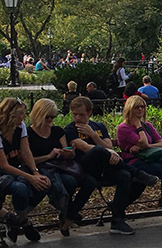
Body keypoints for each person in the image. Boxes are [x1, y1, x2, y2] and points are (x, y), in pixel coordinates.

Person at [63, 95, 148, 236]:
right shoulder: (70, 129)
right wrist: (107, 151)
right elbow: (84, 147)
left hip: (103, 168)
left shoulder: (98, 127)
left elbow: (109, 145)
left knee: (124, 176)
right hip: (83, 168)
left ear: (90, 113)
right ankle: (137, 172)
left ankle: (117, 220)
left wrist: (93, 135)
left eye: (81, 114)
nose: (77, 118)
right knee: (96, 151)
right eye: (75, 114)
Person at [0, 97, 51, 243]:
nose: (24, 117)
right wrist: (30, 177)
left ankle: (17, 220)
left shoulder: (20, 127)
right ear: (11, 115)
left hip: (17, 168)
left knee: (44, 183)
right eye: (21, 114)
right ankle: (24, 223)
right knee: (21, 188)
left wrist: (35, 172)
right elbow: (3, 165)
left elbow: (26, 151)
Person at [26, 97, 95, 236]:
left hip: (61, 167)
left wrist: (69, 153)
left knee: (86, 182)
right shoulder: (28, 134)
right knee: (57, 182)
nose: (51, 121)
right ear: (39, 115)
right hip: (39, 168)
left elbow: (68, 154)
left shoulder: (57, 131)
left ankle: (69, 213)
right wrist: (48, 156)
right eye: (47, 117)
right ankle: (24, 218)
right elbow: (27, 160)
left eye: (53, 117)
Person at [115, 95, 162, 232]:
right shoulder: (124, 128)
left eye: (142, 107)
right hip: (135, 163)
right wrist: (138, 126)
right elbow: (144, 142)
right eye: (136, 107)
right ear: (129, 109)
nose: (140, 110)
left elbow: (161, 144)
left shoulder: (148, 125)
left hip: (152, 159)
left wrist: (145, 147)